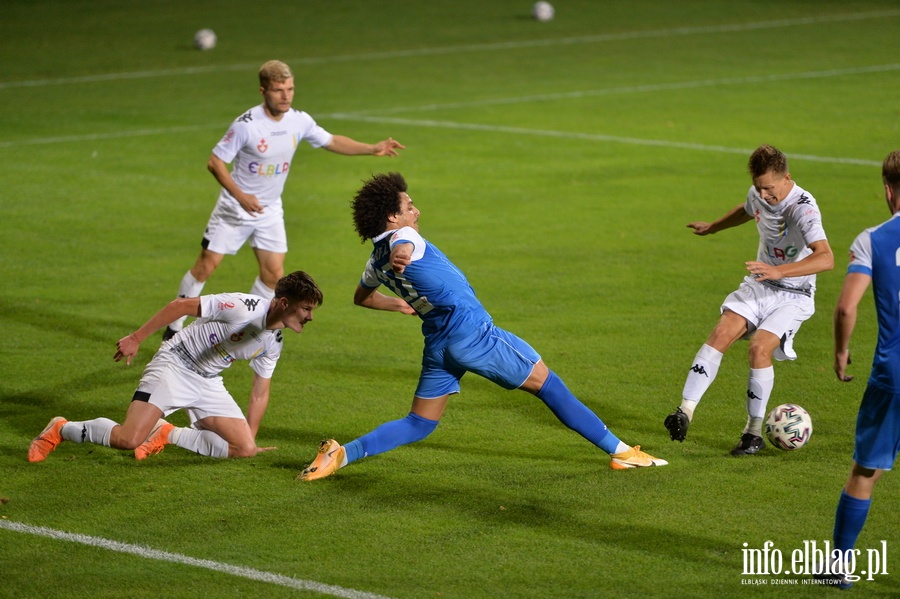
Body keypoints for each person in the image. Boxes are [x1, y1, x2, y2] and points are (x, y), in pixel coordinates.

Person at [299, 172, 667, 481]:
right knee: (549, 385)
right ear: (392, 218)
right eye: (409, 206)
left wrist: (396, 302)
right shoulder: (403, 239)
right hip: (474, 335)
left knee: (420, 423)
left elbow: (361, 298)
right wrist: (404, 255)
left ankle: (340, 455)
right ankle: (622, 452)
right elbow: (405, 245)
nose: (417, 210)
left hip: (440, 344)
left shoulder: (373, 262)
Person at [162, 59, 403, 340]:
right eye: (278, 90)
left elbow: (330, 140)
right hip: (234, 209)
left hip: (270, 209)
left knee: (273, 274)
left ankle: (243, 328)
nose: (286, 95)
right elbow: (215, 162)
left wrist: (372, 148)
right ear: (263, 90)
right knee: (206, 266)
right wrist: (241, 197)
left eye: (290, 88)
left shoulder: (298, 120)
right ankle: (173, 328)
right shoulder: (247, 125)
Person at [28, 271, 323, 462]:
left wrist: (251, 438)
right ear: (284, 303)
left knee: (243, 449)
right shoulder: (241, 307)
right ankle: (60, 429)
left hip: (208, 381)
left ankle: (168, 433)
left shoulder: (275, 341)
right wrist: (136, 337)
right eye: (306, 309)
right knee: (128, 439)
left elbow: (260, 393)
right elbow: (180, 306)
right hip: (175, 363)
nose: (310, 317)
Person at [663, 145, 834, 455]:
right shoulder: (758, 192)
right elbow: (747, 208)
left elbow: (826, 258)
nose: (764, 194)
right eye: (759, 187)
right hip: (761, 284)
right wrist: (713, 227)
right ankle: (684, 411)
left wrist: (778, 270)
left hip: (793, 294)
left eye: (769, 188)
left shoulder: (803, 207)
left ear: (787, 178)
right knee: (721, 332)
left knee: (759, 348)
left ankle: (752, 433)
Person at [820, 150, 900, 589]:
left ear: (888, 191)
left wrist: (840, 351)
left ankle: (838, 567)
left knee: (866, 469)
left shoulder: (874, 238)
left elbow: (847, 306)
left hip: (894, 375)